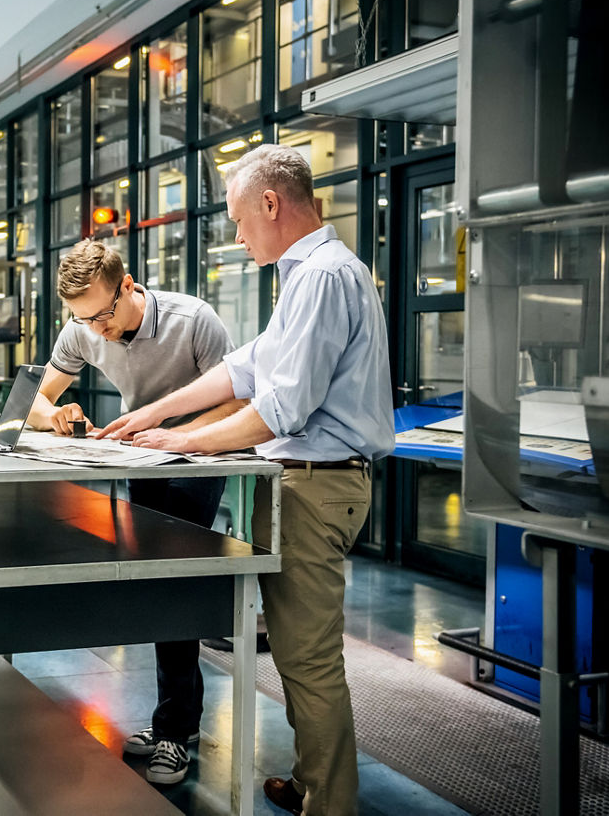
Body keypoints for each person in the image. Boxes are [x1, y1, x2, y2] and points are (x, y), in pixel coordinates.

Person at [98, 144, 394, 816]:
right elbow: (245, 368)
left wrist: (180, 441)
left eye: (238, 219)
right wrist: (154, 409)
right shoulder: (310, 276)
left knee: (309, 658)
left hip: (316, 487)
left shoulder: (321, 276)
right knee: (295, 651)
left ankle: (332, 804)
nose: (236, 236)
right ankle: (313, 777)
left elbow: (279, 407)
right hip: (306, 484)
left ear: (271, 203)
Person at [24, 239, 242, 786]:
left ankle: (172, 730)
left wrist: (170, 437)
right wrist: (54, 415)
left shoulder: (194, 320)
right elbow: (32, 399)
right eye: (82, 319)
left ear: (128, 287)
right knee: (152, 584)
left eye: (102, 314)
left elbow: (238, 402)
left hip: (198, 459)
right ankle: (180, 721)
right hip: (140, 461)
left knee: (174, 584)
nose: (95, 330)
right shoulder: (82, 327)